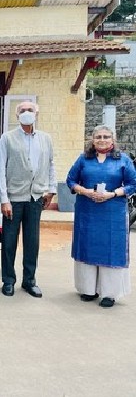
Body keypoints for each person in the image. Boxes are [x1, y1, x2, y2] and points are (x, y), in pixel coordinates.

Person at [66, 125, 136, 308]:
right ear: (92, 139)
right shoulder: (83, 159)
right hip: (87, 211)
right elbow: (71, 180)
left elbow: (132, 184)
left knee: (110, 249)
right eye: (98, 136)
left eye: (106, 136)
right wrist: (85, 191)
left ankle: (109, 293)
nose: (102, 139)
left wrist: (112, 194)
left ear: (112, 140)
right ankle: (88, 289)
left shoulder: (123, 160)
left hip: (113, 213)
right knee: (88, 246)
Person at [0, 101, 57, 298]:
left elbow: (51, 165)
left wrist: (51, 189)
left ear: (37, 114)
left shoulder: (45, 139)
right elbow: (0, 171)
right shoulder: (7, 138)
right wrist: (4, 199)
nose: (27, 113)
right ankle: (8, 280)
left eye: (30, 110)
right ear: (17, 115)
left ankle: (29, 280)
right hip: (13, 198)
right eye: (22, 111)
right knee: (9, 242)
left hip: (35, 197)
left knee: (32, 241)